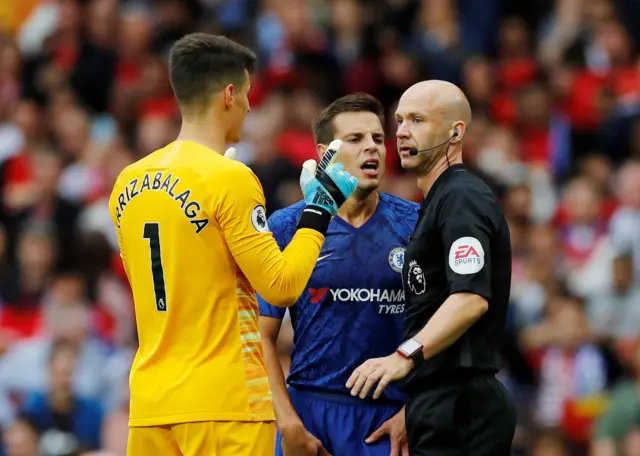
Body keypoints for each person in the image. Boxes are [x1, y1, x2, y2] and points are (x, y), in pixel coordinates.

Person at [108, 33, 358, 456]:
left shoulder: (127, 182)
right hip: (225, 403)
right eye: (246, 93)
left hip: (151, 402)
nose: (248, 105)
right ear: (228, 94)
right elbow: (280, 286)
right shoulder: (230, 178)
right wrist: (319, 208)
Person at [347, 80, 516, 456]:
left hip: (463, 406)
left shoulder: (461, 197)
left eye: (418, 120)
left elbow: (470, 298)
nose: (403, 132)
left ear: (455, 133)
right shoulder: (437, 202)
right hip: (439, 401)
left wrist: (403, 356)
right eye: (400, 121)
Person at [259, 93, 418, 456]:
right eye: (355, 139)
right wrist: (287, 421)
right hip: (310, 414)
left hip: (390, 421)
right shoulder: (287, 226)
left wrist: (414, 411)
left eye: (378, 139)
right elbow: (260, 336)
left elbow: (440, 328)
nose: (372, 148)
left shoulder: (416, 224)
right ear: (323, 153)